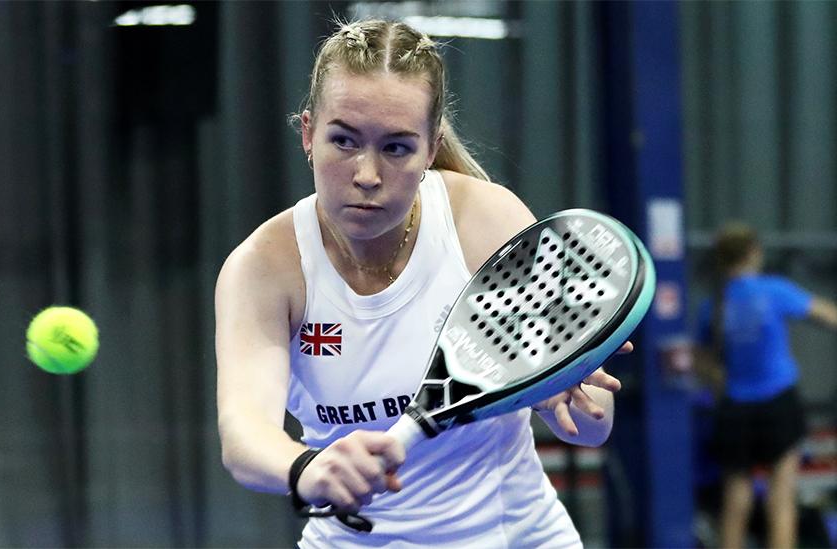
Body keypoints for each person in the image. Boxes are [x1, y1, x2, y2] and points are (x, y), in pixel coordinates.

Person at [215, 19, 626, 547]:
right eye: (343, 140)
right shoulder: (263, 266)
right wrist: (306, 468)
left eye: (395, 148)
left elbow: (595, 427)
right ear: (307, 134)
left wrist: (565, 387)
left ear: (431, 150)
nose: (366, 174)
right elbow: (244, 435)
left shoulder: (487, 221)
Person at [695, 223, 837, 549]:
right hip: (777, 403)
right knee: (782, 493)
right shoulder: (774, 290)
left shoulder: (714, 304)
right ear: (753, 253)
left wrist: (719, 379)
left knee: (735, 495)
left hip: (735, 408)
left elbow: (701, 358)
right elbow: (825, 314)